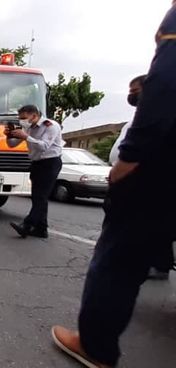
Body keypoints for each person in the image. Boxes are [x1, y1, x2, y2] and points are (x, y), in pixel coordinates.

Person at [51, 5, 176, 367]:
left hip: (157, 176)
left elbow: (166, 86)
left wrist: (126, 162)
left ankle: (96, 345)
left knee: (118, 261)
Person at [110, 74, 173, 281]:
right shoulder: (135, 119)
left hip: (145, 181)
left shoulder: (158, 118)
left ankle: (158, 264)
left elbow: (139, 151)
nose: (131, 96)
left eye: (135, 91)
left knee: (155, 226)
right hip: (128, 181)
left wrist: (120, 172)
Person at [6, 104, 64, 239]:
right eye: (20, 118)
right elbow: (12, 144)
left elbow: (44, 146)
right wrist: (9, 135)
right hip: (37, 164)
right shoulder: (28, 128)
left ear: (34, 115)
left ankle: (27, 225)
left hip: (50, 163)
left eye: (24, 117)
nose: (22, 121)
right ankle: (41, 229)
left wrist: (26, 137)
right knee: (37, 197)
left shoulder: (51, 126)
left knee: (41, 196)